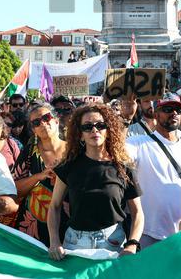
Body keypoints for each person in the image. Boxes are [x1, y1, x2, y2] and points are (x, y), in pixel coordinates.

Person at [48, 103, 143, 259]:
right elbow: (54, 206)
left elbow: (138, 212)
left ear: (109, 129)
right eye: (87, 127)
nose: (94, 130)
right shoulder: (68, 165)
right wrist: (54, 241)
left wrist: (132, 244)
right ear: (80, 133)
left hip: (113, 243)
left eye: (100, 125)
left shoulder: (123, 167)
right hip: (73, 244)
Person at [126, 94, 181, 248]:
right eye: (168, 109)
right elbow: (116, 153)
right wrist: (125, 119)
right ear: (156, 114)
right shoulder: (138, 144)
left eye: (177, 109)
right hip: (148, 234)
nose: (174, 113)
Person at [12, 103, 68, 243]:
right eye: (36, 122)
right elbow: (14, 188)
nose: (43, 123)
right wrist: (39, 176)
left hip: (69, 223)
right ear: (33, 130)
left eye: (46, 117)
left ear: (56, 121)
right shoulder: (30, 151)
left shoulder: (73, 150)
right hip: (32, 226)